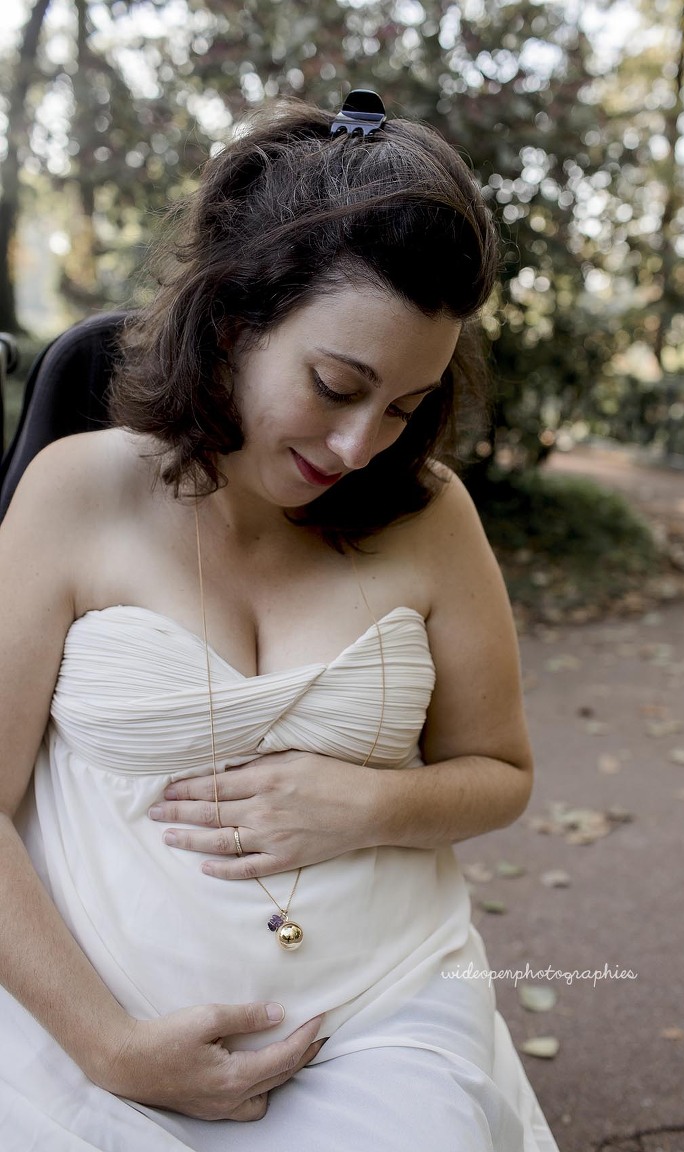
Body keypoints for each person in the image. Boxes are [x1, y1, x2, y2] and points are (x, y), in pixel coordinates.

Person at [0, 92, 559, 1151]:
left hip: (383, 1009)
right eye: (335, 384)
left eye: (402, 406)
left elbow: (502, 773)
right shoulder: (77, 494)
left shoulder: (431, 512)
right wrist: (107, 1044)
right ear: (231, 319)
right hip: (76, 1038)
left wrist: (367, 806)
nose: (359, 446)